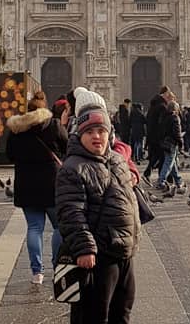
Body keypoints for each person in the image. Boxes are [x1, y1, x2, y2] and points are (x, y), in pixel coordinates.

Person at [56, 102, 140, 324]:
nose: (97, 136)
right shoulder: (72, 168)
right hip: (97, 256)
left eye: (102, 131)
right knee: (93, 316)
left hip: (124, 252)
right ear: (79, 134)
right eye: (90, 131)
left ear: (109, 134)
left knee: (122, 313)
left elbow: (128, 202)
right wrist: (84, 249)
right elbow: (70, 212)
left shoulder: (117, 160)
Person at [7, 89, 67, 285]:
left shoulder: (16, 129)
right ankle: (57, 265)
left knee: (34, 228)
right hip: (51, 183)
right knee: (59, 226)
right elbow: (67, 148)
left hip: (26, 183)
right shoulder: (54, 125)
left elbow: (10, 155)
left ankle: (37, 273)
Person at [157, 100, 184, 191]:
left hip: (165, 142)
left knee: (173, 163)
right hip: (172, 143)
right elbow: (177, 133)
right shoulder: (175, 118)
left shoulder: (163, 117)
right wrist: (180, 142)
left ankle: (178, 180)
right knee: (169, 163)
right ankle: (161, 181)